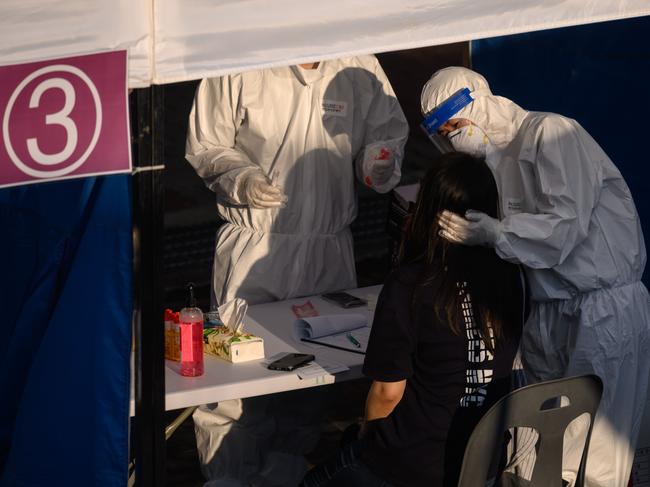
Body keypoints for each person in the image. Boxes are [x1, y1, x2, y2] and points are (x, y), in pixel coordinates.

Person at [422, 66, 650, 487]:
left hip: (600, 310)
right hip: (544, 311)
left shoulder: (551, 133)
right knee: (534, 442)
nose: (452, 136)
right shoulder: (492, 163)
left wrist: (494, 232)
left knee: (595, 447)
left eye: (455, 123)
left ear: (481, 102)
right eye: (443, 131)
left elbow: (564, 227)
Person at [185, 56, 409, 485]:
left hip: (329, 248)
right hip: (253, 246)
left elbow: (387, 132)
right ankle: (228, 478)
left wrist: (379, 161)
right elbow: (206, 144)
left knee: (310, 380)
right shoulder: (241, 59)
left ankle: (284, 478)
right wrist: (241, 176)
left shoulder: (356, 61)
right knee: (235, 384)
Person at [301, 152, 527, 487]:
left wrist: (368, 437)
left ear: (427, 210)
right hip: (483, 464)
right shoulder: (514, 276)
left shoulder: (412, 283)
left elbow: (387, 393)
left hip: (413, 466)